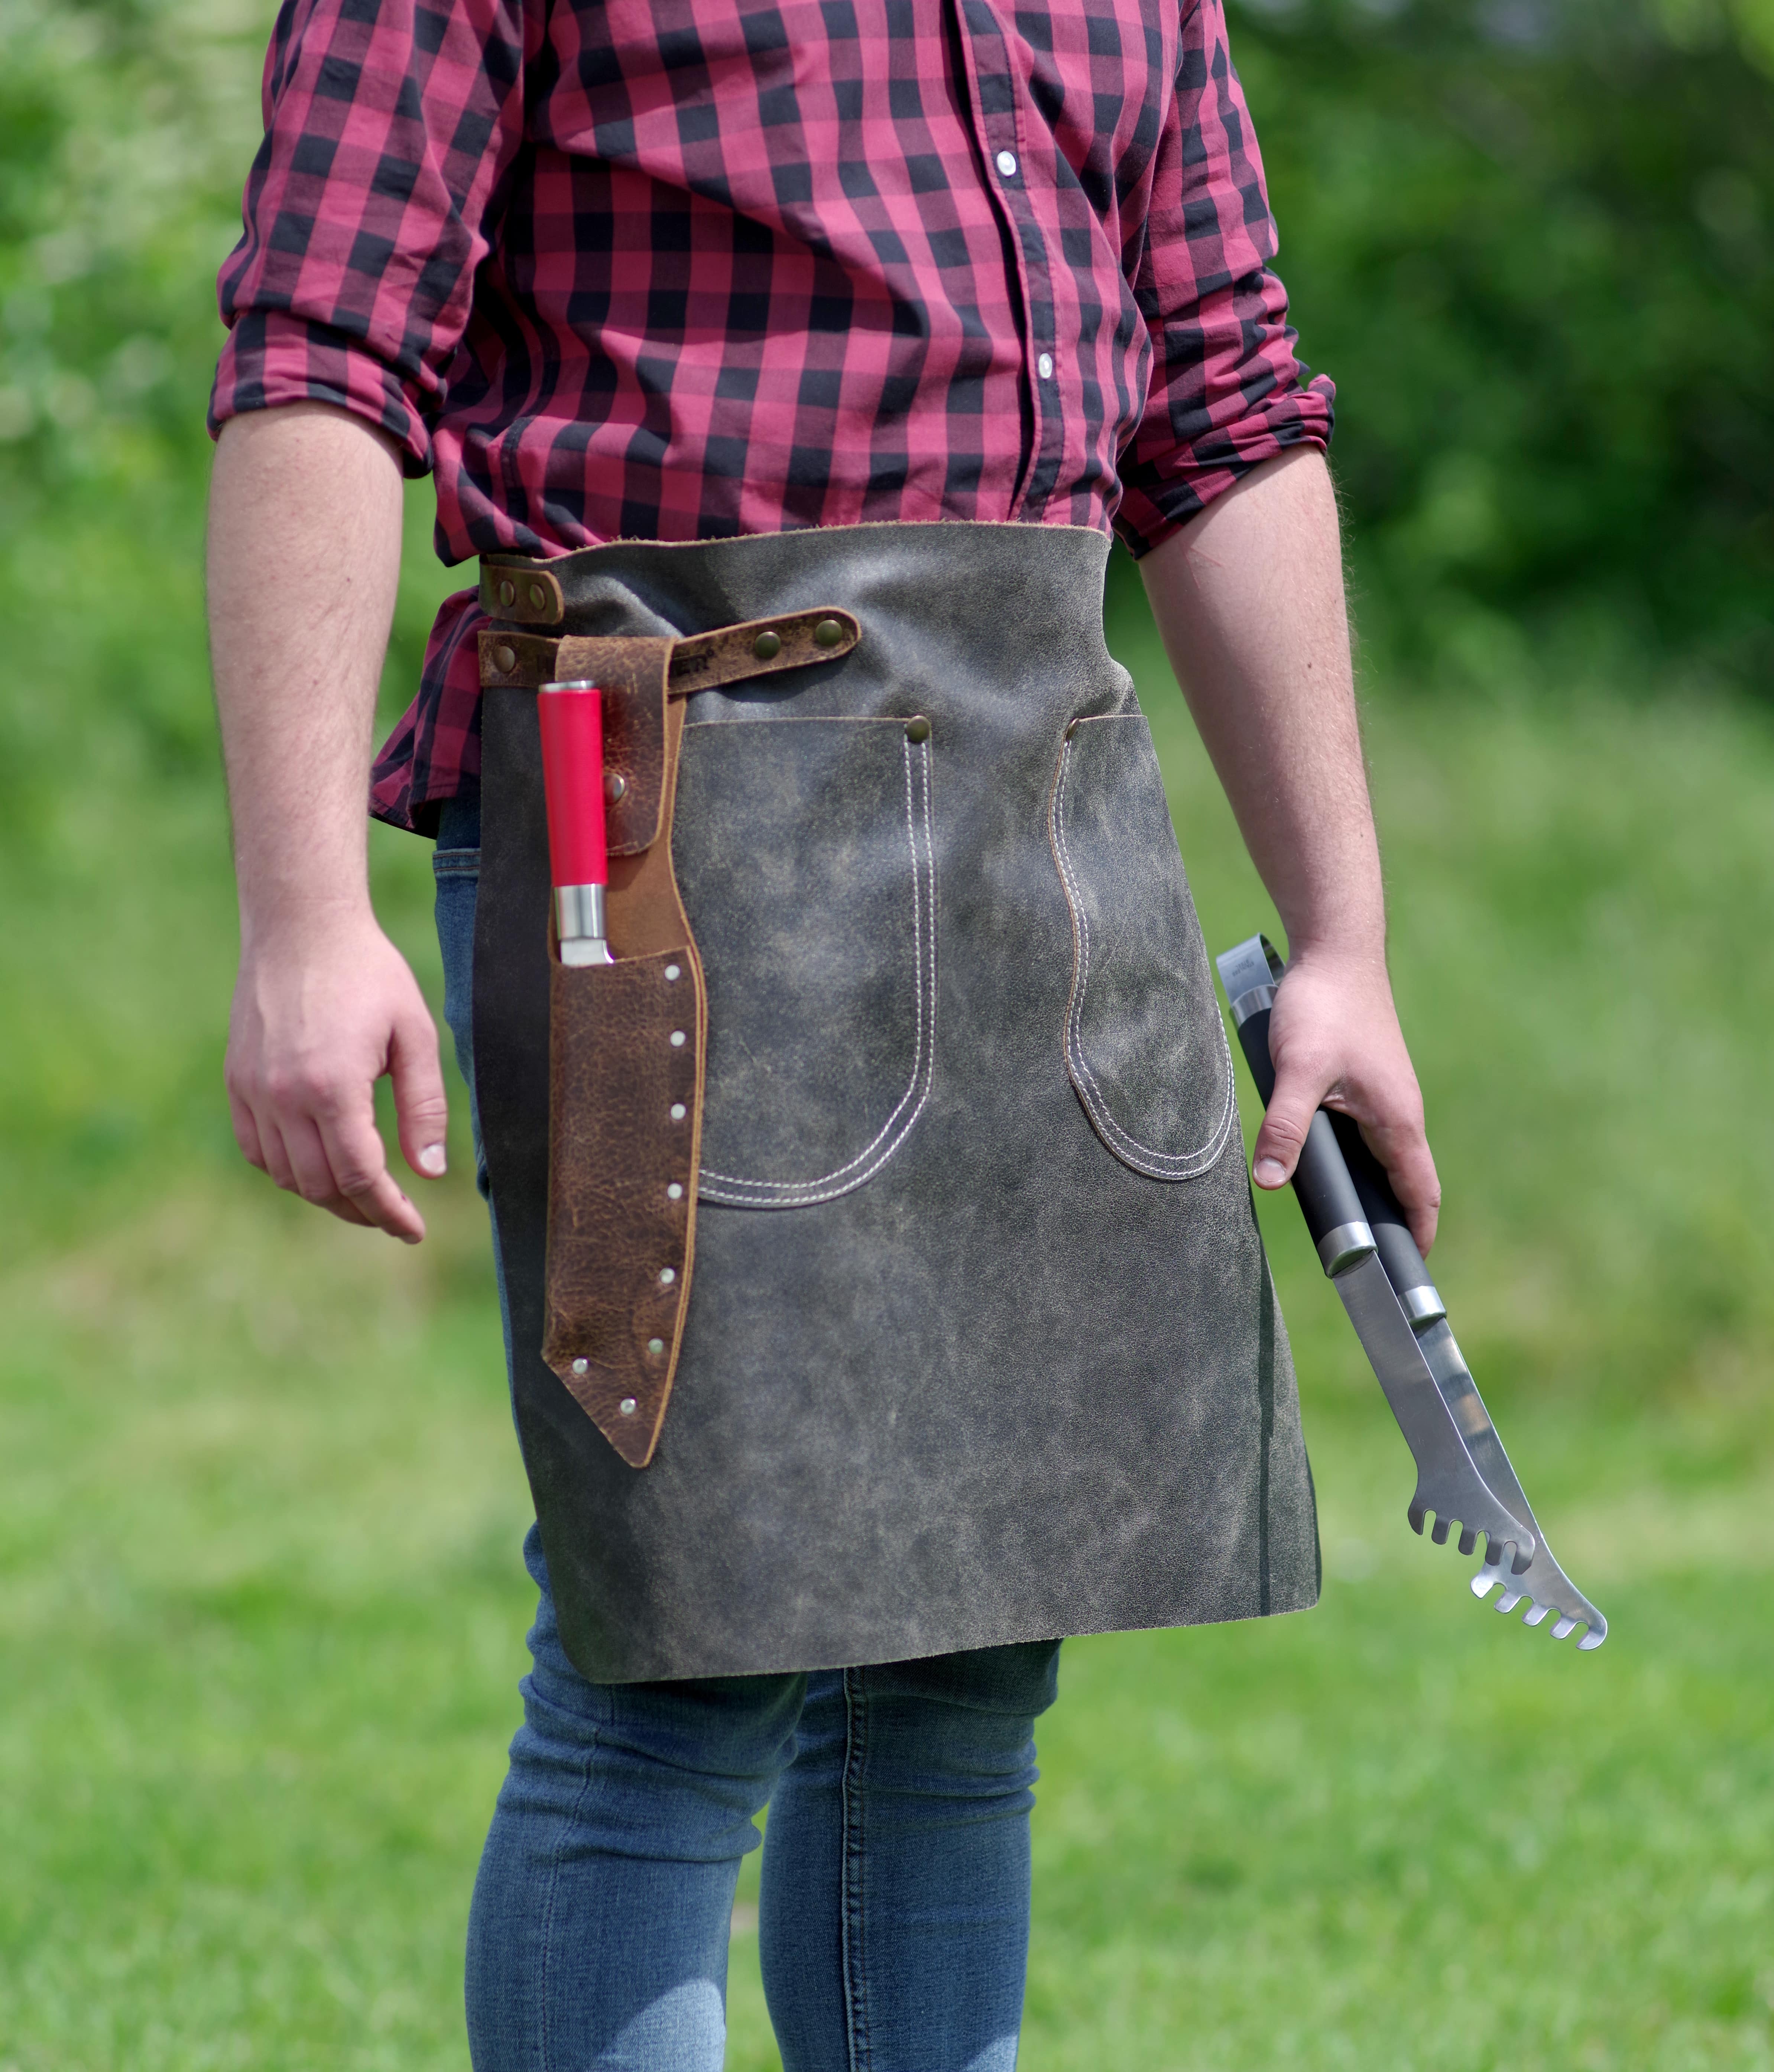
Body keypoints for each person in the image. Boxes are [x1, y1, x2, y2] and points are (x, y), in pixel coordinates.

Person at [206, 0, 1439, 2065]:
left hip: (1039, 810)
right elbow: (318, 361)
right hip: (663, 815)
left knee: (966, 1666)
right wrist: (301, 912)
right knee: (681, 1666)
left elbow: (1221, 408)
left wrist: (1346, 934)